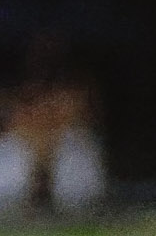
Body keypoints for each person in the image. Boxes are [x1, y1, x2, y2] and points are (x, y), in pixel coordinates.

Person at [0, 33, 107, 218]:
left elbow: (82, 119)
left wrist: (48, 144)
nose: (44, 58)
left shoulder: (78, 86)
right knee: (13, 150)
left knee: (74, 145)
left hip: (63, 152)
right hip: (28, 149)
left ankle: (80, 212)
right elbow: (14, 122)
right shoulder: (13, 87)